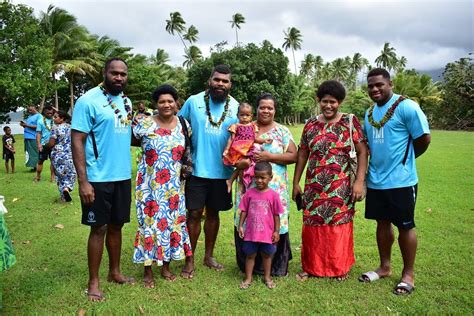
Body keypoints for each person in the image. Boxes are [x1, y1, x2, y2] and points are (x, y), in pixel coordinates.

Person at [359, 68, 430, 295]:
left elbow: (423, 139)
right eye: (370, 86)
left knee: (405, 225)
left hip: (402, 181)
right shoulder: (369, 114)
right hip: (376, 180)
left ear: (390, 83)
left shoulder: (407, 107)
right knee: (382, 223)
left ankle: (408, 274)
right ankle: (384, 267)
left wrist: (405, 161)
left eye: (379, 84)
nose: (375, 89)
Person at [71, 57, 135, 302]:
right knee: (99, 227)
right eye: (114, 73)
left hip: (122, 175)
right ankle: (94, 282)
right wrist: (83, 181)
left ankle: (115, 272)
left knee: (117, 224)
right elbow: (77, 139)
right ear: (104, 73)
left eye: (123, 74)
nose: (119, 77)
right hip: (97, 178)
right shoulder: (88, 101)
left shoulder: (126, 102)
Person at [292, 80, 368, 281]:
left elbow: (362, 152)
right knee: (313, 224)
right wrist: (296, 183)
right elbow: (302, 155)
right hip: (313, 186)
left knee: (338, 224)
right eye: (324, 101)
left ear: (340, 102)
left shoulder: (349, 122)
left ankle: (339, 267)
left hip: (341, 185)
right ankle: (311, 267)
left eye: (333, 102)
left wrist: (359, 181)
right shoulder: (310, 124)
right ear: (318, 100)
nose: (328, 106)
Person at [178, 64, 239, 274]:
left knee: (214, 213)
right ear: (210, 81)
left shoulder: (236, 107)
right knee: (193, 213)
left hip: (223, 172)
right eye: (217, 80)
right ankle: (189, 258)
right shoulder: (193, 102)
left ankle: (209, 256)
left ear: (230, 84)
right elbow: (179, 126)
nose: (220, 84)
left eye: (225, 81)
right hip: (196, 169)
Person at [132, 84, 193, 286]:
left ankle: (165, 266)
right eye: (161, 102)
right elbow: (130, 142)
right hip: (148, 186)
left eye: (170, 101)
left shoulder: (184, 124)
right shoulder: (144, 124)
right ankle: (148, 270)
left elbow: (187, 152)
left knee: (169, 224)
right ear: (156, 104)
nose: (166, 105)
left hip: (174, 187)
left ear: (176, 103)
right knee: (149, 225)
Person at [234, 93, 297, 277]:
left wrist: (270, 157)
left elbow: (294, 155)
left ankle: (275, 267)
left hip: (274, 192)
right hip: (248, 190)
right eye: (262, 107)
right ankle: (248, 266)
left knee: (273, 222)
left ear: (275, 110)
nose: (266, 110)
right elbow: (232, 154)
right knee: (250, 221)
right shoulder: (246, 128)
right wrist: (240, 163)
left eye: (270, 107)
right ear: (256, 109)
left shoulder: (282, 131)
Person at [238, 162, 283, 289]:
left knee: (267, 255)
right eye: (256, 177)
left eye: (262, 177)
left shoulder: (273, 196)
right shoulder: (249, 193)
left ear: (270, 177)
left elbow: (276, 215)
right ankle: (248, 278)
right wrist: (241, 226)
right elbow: (244, 211)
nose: (259, 180)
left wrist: (276, 231)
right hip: (251, 233)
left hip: (267, 234)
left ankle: (267, 277)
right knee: (250, 255)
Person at [223, 102, 272, 193]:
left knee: (245, 165)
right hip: (238, 150)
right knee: (244, 164)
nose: (244, 117)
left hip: (248, 149)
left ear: (251, 116)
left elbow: (255, 139)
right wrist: (226, 149)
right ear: (237, 115)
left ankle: (232, 181)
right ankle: (240, 183)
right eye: (242, 115)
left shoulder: (253, 127)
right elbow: (231, 139)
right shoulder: (235, 126)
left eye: (247, 115)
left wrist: (264, 140)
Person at [46, 111, 76, 202]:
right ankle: (67, 188)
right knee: (71, 173)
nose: (53, 118)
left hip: (57, 155)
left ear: (62, 118)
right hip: (69, 154)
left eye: (55, 117)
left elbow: (51, 143)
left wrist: (45, 145)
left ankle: (63, 196)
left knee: (60, 175)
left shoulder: (55, 128)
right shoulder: (71, 127)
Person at [34, 106, 55, 182]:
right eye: (48, 112)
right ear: (44, 113)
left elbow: (66, 117)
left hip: (54, 145)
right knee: (40, 161)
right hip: (43, 144)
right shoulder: (40, 121)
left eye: (51, 112)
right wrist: (39, 144)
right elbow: (39, 133)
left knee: (53, 161)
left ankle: (53, 177)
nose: (50, 114)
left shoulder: (55, 120)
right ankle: (38, 176)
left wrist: (56, 110)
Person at [19, 105, 41, 171]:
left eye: (31, 110)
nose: (29, 111)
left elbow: (39, 127)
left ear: (35, 108)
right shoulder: (29, 116)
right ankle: (33, 167)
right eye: (28, 110)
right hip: (27, 137)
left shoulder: (39, 116)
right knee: (29, 153)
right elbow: (28, 126)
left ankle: (37, 167)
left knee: (35, 152)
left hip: (34, 137)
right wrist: (23, 125)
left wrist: (26, 125)